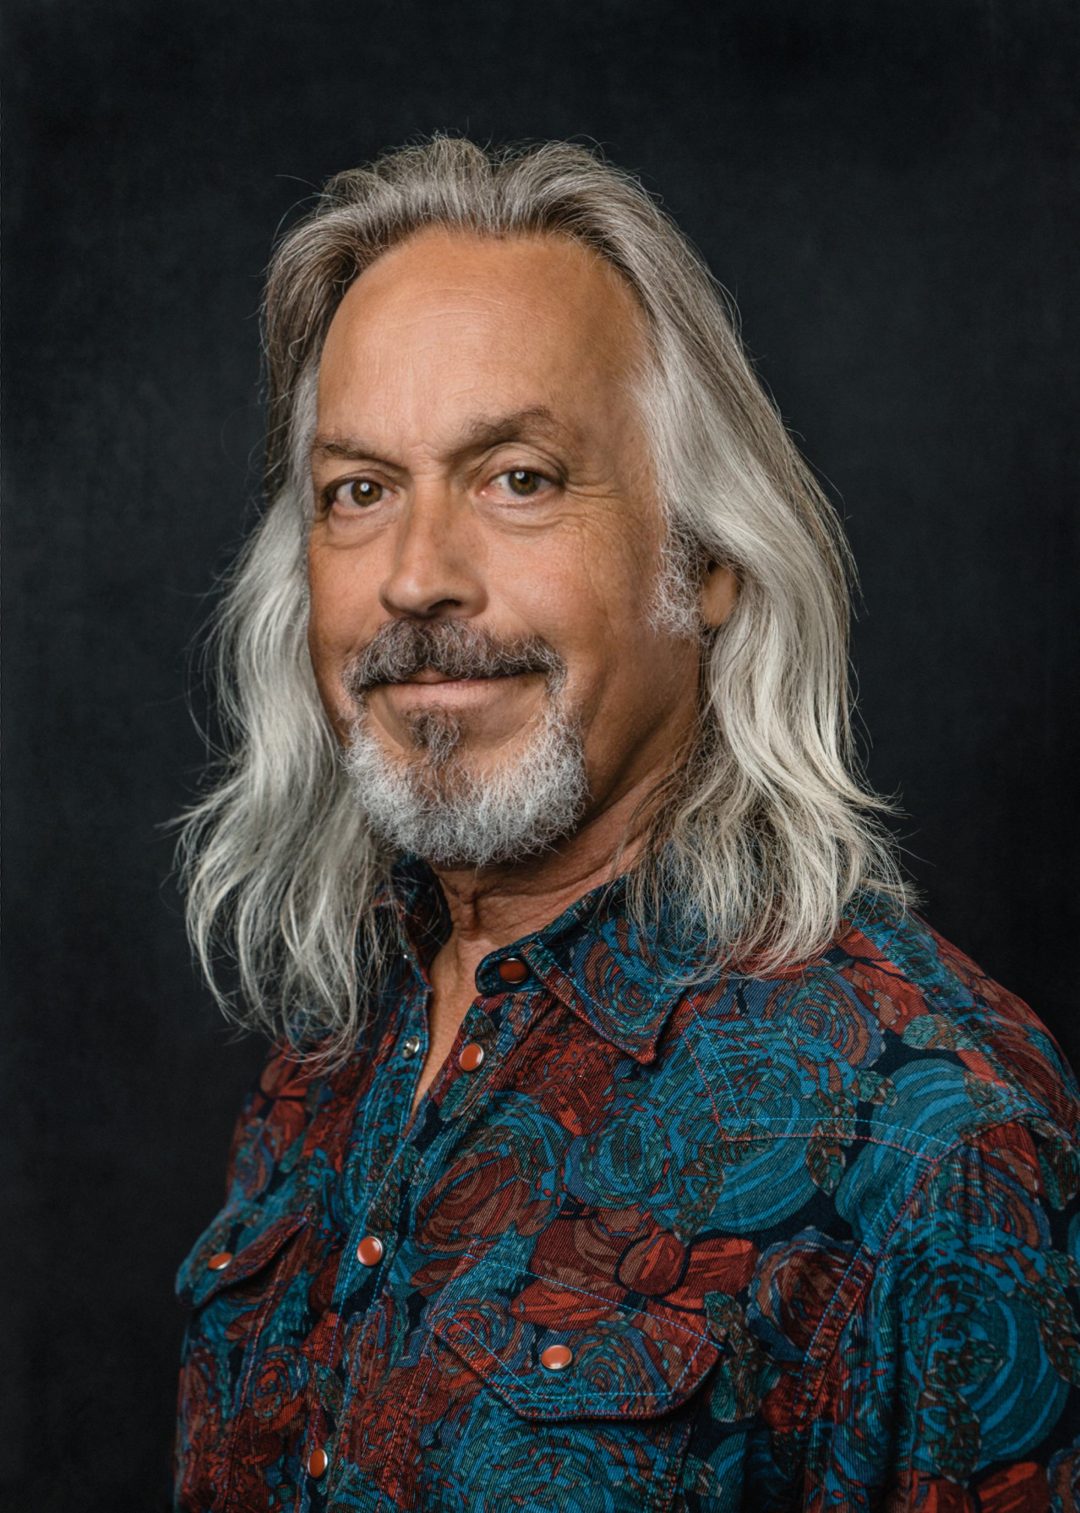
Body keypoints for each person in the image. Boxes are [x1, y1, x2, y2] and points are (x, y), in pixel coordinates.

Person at [173, 137, 1080, 1511]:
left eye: (519, 477)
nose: (416, 575)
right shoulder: (334, 1056)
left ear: (706, 557)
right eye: (359, 490)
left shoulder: (932, 1140)